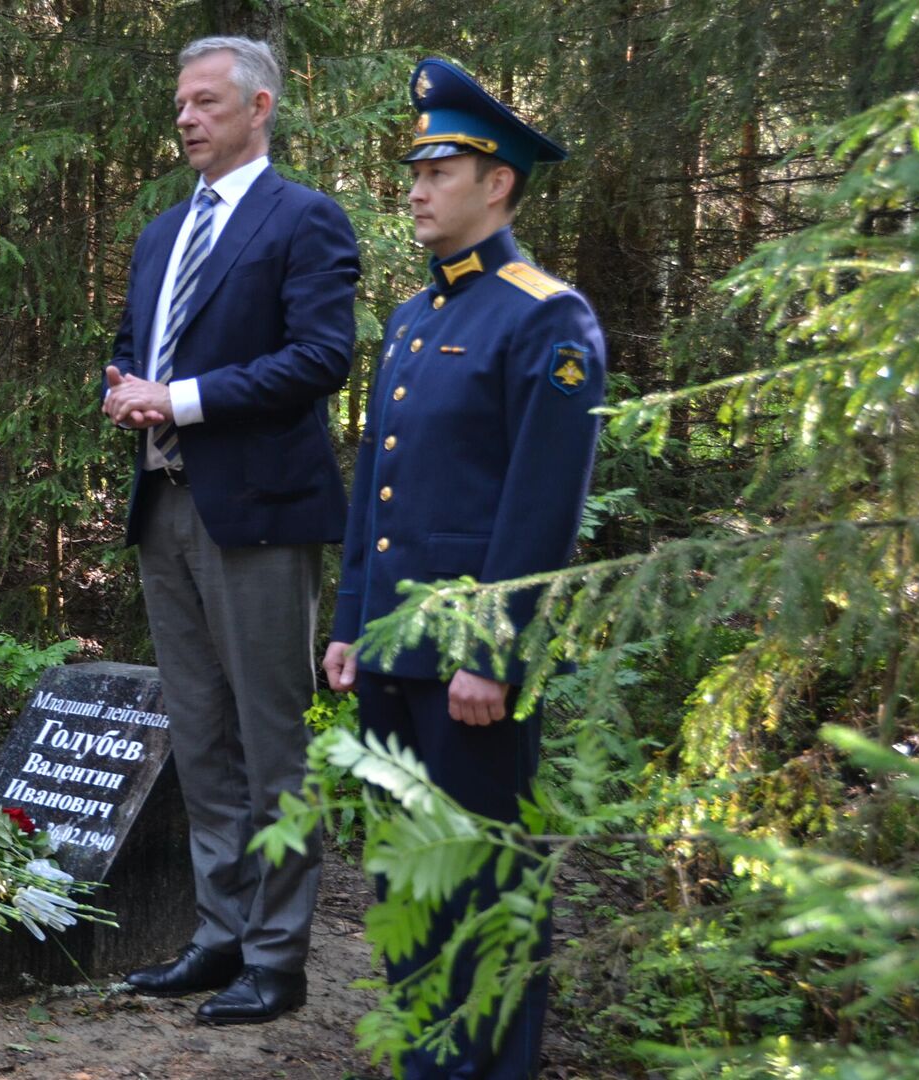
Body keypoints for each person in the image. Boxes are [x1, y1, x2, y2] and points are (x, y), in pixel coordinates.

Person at [321, 57, 606, 1078]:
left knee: (484, 896)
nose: (416, 187)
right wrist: (351, 622)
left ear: (499, 182)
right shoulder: (412, 317)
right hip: (395, 661)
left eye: (440, 168)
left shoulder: (546, 318)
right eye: (414, 168)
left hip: (470, 679)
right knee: (411, 888)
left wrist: (492, 654)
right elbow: (379, 494)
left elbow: (540, 510)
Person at [101, 36, 361, 1024]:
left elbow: (319, 359)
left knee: (269, 742)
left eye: (205, 101)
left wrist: (186, 398)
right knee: (201, 739)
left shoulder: (307, 220)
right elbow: (130, 350)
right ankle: (219, 937)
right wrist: (124, 391)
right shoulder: (165, 232)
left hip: (257, 518)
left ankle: (277, 957)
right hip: (163, 506)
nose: (185, 117)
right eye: (179, 102)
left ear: (260, 108)